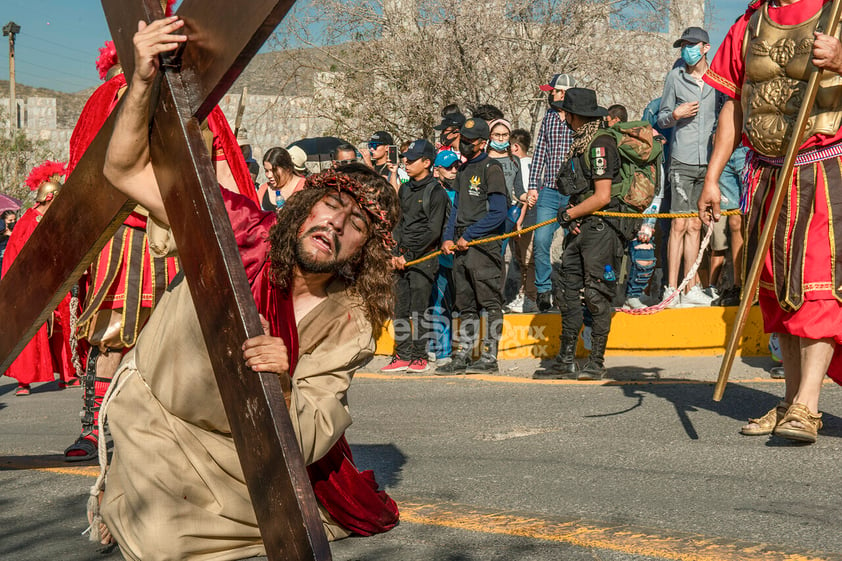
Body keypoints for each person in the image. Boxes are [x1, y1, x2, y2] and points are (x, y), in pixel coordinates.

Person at [94, 17, 399, 557]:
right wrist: (141, 80)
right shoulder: (236, 228)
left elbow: (313, 431)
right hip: (158, 426)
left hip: (244, 463)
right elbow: (123, 169)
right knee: (161, 539)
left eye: (357, 225)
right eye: (332, 205)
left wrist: (281, 381)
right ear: (306, 205)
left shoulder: (350, 318)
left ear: (364, 251)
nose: (336, 225)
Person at [63, 37, 257, 462]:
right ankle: (95, 429)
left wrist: (232, 225)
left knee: (187, 339)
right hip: (124, 231)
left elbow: (221, 160)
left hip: (187, 231)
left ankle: (174, 431)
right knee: (112, 336)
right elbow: (86, 164)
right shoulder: (110, 95)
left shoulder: (199, 97)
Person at [699, 0, 842, 444]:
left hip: (822, 166)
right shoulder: (748, 22)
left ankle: (807, 405)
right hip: (763, 171)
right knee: (777, 288)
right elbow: (733, 107)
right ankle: (789, 400)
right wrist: (711, 177)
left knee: (815, 283)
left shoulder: (836, 13)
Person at [535, 88, 636, 380]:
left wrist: (569, 215)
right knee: (568, 294)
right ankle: (565, 359)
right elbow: (581, 190)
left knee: (596, 295)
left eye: (565, 111)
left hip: (602, 231)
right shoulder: (580, 143)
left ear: (577, 115)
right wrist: (572, 212)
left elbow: (603, 196)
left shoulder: (600, 144)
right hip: (582, 228)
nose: (562, 116)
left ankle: (596, 361)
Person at [437, 118, 507, 375]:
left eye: (468, 142)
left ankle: (489, 357)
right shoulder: (463, 170)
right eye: (461, 141)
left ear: (482, 143)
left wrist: (471, 234)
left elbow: (499, 213)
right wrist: (448, 237)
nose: (464, 145)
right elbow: (456, 208)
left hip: (483, 245)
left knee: (489, 301)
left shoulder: (492, 168)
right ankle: (463, 354)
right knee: (464, 303)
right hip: (460, 245)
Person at [2, 162, 79, 395]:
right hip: (31, 284)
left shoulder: (58, 220)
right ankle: (24, 381)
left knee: (64, 326)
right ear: (49, 197)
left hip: (56, 281)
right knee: (31, 330)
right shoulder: (27, 221)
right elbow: (15, 255)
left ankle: (68, 374)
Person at [658, 27, 719, 308]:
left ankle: (690, 286)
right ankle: (670, 289)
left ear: (705, 47)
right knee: (678, 225)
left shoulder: (718, 78)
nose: (686, 49)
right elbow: (661, 118)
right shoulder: (675, 76)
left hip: (708, 161)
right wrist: (675, 114)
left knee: (696, 225)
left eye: (691, 44)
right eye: (683, 45)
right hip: (681, 160)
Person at [382, 140, 450, 373]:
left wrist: (409, 255)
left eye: (412, 160)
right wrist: (394, 252)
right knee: (400, 308)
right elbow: (399, 223)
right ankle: (402, 354)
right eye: (405, 159)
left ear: (427, 163)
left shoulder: (436, 191)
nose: (406, 163)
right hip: (401, 258)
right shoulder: (406, 189)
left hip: (423, 257)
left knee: (418, 309)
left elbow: (433, 230)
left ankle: (419, 357)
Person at [606, 104, 664, 309]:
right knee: (622, 253)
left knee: (636, 253)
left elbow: (656, 189)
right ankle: (623, 296)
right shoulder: (651, 147)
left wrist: (648, 222)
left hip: (627, 210)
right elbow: (659, 190)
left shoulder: (616, 142)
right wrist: (650, 222)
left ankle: (629, 295)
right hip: (631, 209)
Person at [527, 73, 576, 311]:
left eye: (553, 91)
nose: (550, 94)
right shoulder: (548, 117)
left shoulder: (579, 118)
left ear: (564, 93)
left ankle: (570, 288)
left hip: (573, 193)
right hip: (549, 190)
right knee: (542, 240)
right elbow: (540, 152)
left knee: (573, 241)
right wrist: (533, 187)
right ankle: (543, 289)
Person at [428, 150, 460, 364]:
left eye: (457, 166)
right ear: (436, 169)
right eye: (449, 167)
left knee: (451, 303)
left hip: (457, 255)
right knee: (439, 303)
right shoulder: (432, 192)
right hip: (437, 257)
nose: (454, 171)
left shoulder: (460, 192)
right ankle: (441, 351)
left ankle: (435, 346)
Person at [709, 145, 747, 307]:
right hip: (726, 150)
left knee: (753, 217)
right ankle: (738, 285)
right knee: (734, 222)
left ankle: (755, 284)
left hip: (750, 148)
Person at [507, 128, 538, 312]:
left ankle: (529, 298)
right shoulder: (533, 163)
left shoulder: (524, 165)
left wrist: (520, 222)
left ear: (516, 147)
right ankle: (524, 295)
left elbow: (527, 195)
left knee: (527, 260)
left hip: (525, 219)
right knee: (522, 260)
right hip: (522, 218)